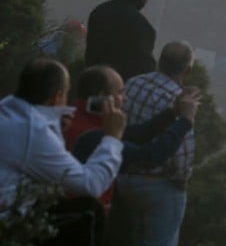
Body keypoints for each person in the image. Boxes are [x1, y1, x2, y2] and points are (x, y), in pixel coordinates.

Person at [0, 59, 125, 246]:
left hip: (15, 209)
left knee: (60, 212)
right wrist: (114, 138)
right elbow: (90, 184)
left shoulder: (10, 108)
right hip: (9, 223)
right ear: (57, 96)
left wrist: (54, 126)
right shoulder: (34, 131)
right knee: (88, 214)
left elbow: (38, 167)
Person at [117, 42, 196, 246]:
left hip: (120, 174)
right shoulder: (181, 101)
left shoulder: (134, 82)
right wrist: (181, 181)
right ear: (187, 70)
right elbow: (182, 158)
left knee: (137, 242)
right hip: (156, 184)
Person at [64, 66, 196, 212]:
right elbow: (148, 156)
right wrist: (185, 121)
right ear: (103, 96)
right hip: (82, 216)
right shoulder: (92, 134)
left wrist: (172, 113)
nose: (125, 99)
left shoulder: (76, 119)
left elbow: (134, 134)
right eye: (120, 93)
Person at [85, 0, 156, 81]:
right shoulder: (144, 27)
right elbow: (144, 73)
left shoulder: (98, 12)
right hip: (120, 94)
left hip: (92, 84)